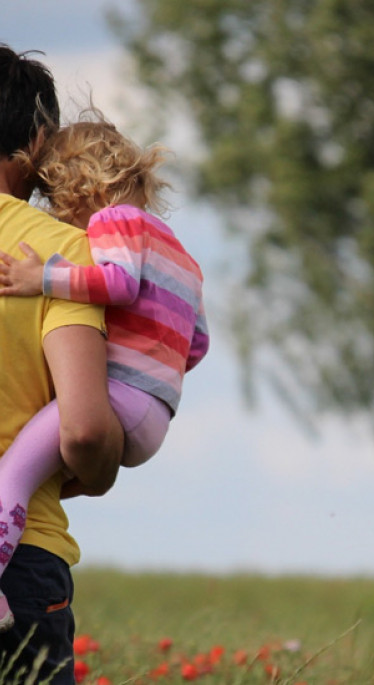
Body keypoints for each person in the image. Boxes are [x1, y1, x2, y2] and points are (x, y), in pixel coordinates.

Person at [0, 112, 210, 626]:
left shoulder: (110, 223)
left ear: (78, 188)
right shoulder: (183, 256)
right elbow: (197, 344)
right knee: (47, 468)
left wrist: (44, 276)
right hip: (153, 412)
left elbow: (118, 285)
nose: (54, 214)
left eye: (55, 198)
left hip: (118, 396)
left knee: (10, 477)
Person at [0, 45, 124, 682]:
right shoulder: (63, 254)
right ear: (37, 141)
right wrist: (98, 471)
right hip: (19, 558)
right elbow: (83, 430)